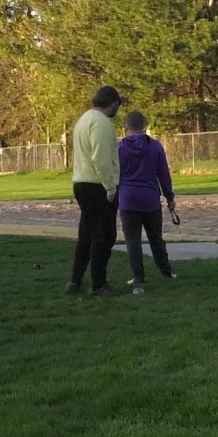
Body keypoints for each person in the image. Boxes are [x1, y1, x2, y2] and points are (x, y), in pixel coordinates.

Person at [67, 86, 123, 297]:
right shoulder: (102, 123)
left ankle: (75, 281)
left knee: (86, 235)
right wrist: (110, 187)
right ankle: (99, 284)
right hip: (97, 184)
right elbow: (101, 159)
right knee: (105, 234)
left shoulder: (84, 119)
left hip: (81, 181)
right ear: (113, 103)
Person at [117, 111, 176, 294]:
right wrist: (170, 197)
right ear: (144, 125)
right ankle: (165, 270)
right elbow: (163, 174)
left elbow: (114, 174)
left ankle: (138, 276)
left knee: (132, 240)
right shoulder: (155, 147)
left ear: (126, 126)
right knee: (155, 237)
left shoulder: (119, 148)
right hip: (150, 198)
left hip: (127, 199)